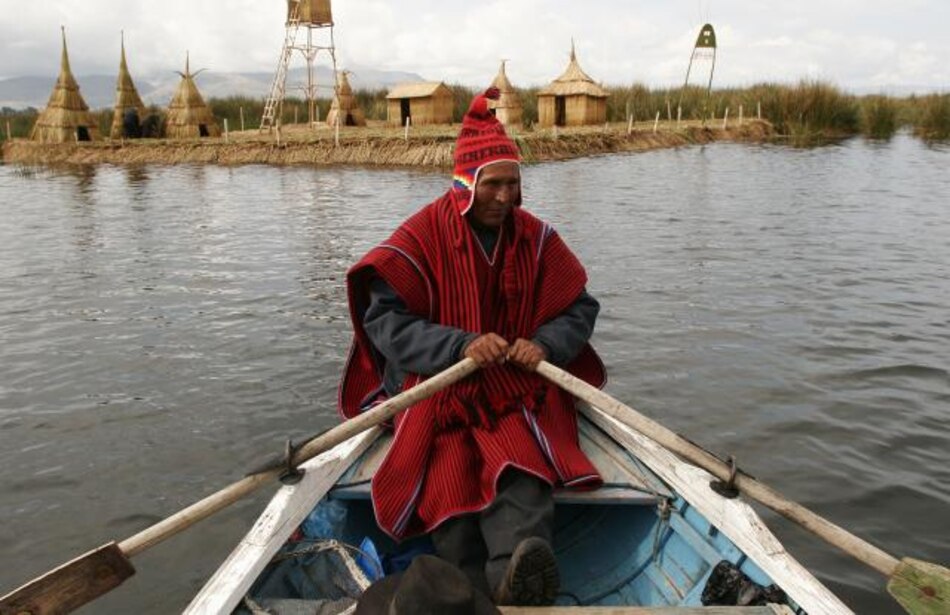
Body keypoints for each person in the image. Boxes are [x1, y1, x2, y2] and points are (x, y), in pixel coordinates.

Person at [339, 87, 606, 606]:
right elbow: (385, 321)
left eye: (514, 185)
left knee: (519, 463)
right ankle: (462, 586)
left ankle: (513, 574)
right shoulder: (422, 235)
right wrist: (459, 346)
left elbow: (580, 308)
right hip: (441, 388)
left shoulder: (536, 238)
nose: (506, 198)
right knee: (445, 466)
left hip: (512, 385)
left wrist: (545, 345)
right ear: (465, 185)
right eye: (495, 186)